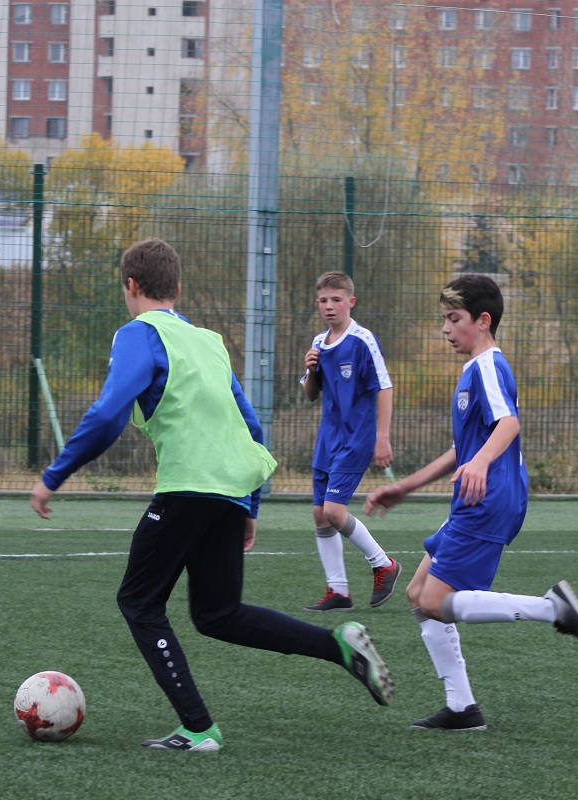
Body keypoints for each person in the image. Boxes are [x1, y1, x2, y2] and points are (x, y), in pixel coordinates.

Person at [30, 238, 394, 751]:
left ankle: (198, 728)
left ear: (130, 286)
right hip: (228, 491)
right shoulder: (209, 341)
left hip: (187, 487)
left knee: (138, 601)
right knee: (219, 614)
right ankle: (337, 644)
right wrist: (248, 505)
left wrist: (53, 476)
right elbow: (251, 426)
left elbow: (108, 413)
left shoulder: (138, 334)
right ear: (176, 288)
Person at [364, 274, 578, 731]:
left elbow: (508, 424)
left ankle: (554, 609)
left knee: (435, 601)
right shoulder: (475, 370)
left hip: (488, 499)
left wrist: (480, 465)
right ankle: (462, 707)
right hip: (478, 497)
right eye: (444, 320)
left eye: (454, 319)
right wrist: (408, 485)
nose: (445, 330)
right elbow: (463, 449)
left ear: (483, 320)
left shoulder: (488, 366)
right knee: (418, 596)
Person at [300, 271, 401, 611]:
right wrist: (311, 370)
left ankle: (383, 563)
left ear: (350, 302)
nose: (330, 306)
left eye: (336, 300)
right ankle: (338, 590)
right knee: (319, 514)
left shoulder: (362, 341)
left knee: (333, 511)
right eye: (324, 301)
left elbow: (384, 387)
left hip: (355, 439)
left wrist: (382, 437)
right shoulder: (318, 343)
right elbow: (311, 394)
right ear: (318, 303)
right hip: (327, 440)